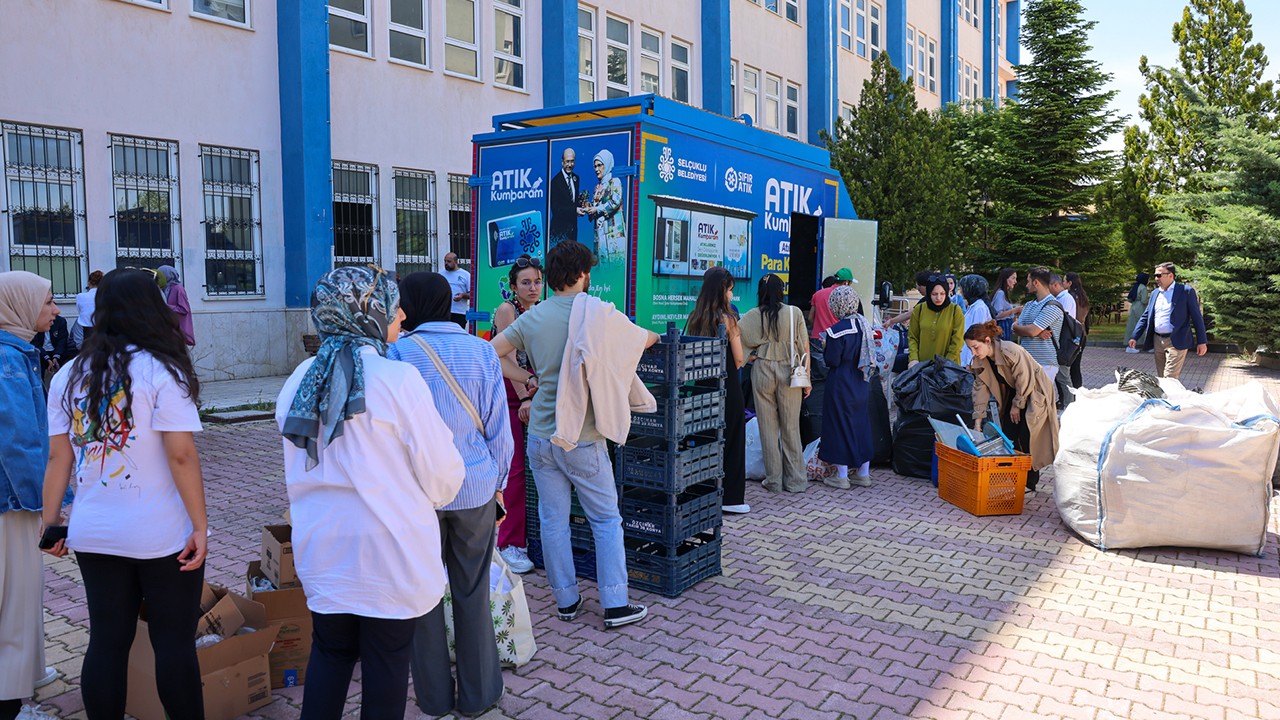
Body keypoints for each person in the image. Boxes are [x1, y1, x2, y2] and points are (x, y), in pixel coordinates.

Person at [277, 266, 465, 719]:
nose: (400, 313)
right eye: (390, 304)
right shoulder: (398, 381)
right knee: (386, 664)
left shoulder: (298, 381)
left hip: (324, 550)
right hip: (390, 554)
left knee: (330, 654)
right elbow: (442, 474)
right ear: (367, 313)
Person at [40, 268, 207, 719]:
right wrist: (201, 526)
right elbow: (182, 458)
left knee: (107, 642)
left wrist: (50, 521)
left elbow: (58, 459)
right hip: (161, 533)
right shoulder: (162, 370)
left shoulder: (68, 376)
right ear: (151, 308)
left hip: (93, 532)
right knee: (173, 643)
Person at [491, 240, 658, 629]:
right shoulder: (598, 313)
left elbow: (492, 352)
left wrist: (528, 378)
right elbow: (644, 338)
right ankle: (616, 603)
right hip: (582, 435)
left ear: (549, 276)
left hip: (541, 437)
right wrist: (653, 339)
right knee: (605, 519)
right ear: (583, 274)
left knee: (552, 521)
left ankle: (566, 601)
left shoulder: (533, 316)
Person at [388, 272, 511, 718]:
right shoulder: (481, 349)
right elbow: (499, 427)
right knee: (472, 591)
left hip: (418, 494)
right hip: (475, 487)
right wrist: (498, 486)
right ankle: (479, 698)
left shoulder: (396, 353)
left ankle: (435, 698)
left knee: (423, 597)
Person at [0, 272, 62, 720]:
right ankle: (10, 703)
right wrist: (44, 506)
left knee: (19, 597)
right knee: (16, 600)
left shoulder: (16, 351)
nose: (56, 311)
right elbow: (19, 441)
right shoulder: (7, 360)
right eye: (48, 302)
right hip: (13, 504)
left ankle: (27, 674)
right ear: (19, 306)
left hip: (12, 500)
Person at [491, 256, 543, 574]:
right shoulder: (507, 310)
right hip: (514, 395)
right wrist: (525, 397)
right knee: (515, 470)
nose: (533, 287)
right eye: (525, 282)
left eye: (537, 281)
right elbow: (505, 357)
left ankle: (526, 538)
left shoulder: (540, 309)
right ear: (513, 286)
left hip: (534, 392)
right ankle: (509, 544)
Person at [965, 320, 1059, 493]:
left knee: (1028, 436)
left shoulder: (1010, 350)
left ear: (987, 341)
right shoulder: (980, 360)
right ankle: (1012, 477)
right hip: (1015, 392)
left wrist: (1017, 405)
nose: (973, 352)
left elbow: (1025, 379)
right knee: (1008, 434)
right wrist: (977, 420)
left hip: (1034, 391)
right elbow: (979, 390)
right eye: (970, 348)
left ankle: (1029, 483)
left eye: (975, 347)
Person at [685, 267, 749, 514]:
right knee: (732, 437)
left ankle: (703, 492)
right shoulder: (728, 319)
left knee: (706, 438)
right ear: (722, 289)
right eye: (731, 290)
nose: (732, 295)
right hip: (727, 384)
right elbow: (739, 358)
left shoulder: (695, 317)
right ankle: (731, 498)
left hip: (702, 384)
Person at [740, 274, 811, 493]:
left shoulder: (752, 315)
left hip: (762, 370)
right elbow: (804, 348)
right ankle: (796, 481)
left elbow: (737, 337)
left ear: (760, 292)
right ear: (781, 291)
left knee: (768, 428)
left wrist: (750, 357)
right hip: (790, 370)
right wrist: (807, 379)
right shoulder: (794, 312)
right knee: (790, 427)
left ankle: (774, 480)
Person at [817, 285, 874, 489]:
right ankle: (863, 473)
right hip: (861, 380)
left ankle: (841, 476)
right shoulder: (865, 325)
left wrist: (825, 348)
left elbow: (832, 360)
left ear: (836, 305)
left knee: (838, 424)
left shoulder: (835, 331)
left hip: (841, 381)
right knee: (861, 424)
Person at [1128, 262, 1208, 380]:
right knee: (1161, 378)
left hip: (1176, 339)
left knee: (1170, 377)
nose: (1156, 278)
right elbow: (1146, 316)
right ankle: (1169, 398)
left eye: (1159, 275)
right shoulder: (1155, 293)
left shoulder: (1186, 291)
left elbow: (1197, 317)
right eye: (1155, 275)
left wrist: (1202, 341)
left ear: (1170, 275)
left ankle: (1170, 397)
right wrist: (1134, 336)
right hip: (1158, 340)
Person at [1012, 267, 1064, 392]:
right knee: (1025, 401)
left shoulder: (1052, 306)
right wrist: (1032, 331)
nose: (1026, 284)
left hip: (1045, 363)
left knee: (1039, 405)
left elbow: (1031, 330)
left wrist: (1030, 330)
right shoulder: (1030, 305)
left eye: (1028, 281)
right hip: (1025, 360)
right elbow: (1014, 328)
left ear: (1036, 283)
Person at [908, 276, 965, 367]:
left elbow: (958, 341)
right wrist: (913, 359)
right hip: (923, 365)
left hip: (947, 367)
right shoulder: (920, 309)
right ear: (929, 294)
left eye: (942, 294)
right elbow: (913, 337)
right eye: (934, 294)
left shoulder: (955, 310)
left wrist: (945, 362)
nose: (939, 298)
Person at [807, 267, 853, 379]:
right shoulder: (847, 297)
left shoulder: (818, 294)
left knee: (818, 376)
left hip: (817, 338)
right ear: (846, 282)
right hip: (838, 339)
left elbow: (810, 318)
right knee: (835, 375)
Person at [580, 149, 625, 261]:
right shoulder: (597, 187)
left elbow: (615, 202)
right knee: (601, 264)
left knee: (615, 264)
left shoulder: (615, 182)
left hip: (613, 232)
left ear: (608, 164)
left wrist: (597, 209)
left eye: (600, 165)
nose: (597, 169)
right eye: (595, 166)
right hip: (599, 235)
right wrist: (588, 208)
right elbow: (596, 208)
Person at [1048, 273, 1077, 408]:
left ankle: (1070, 405)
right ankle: (1066, 403)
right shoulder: (1062, 298)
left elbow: (1062, 321)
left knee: (1064, 376)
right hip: (1060, 341)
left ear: (1055, 285)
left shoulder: (1065, 299)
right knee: (1061, 375)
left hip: (1063, 342)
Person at [32, 314, 76, 391]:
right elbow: (35, 343)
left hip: (57, 351)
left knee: (67, 362)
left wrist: (56, 357)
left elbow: (62, 341)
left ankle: (64, 391)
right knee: (37, 364)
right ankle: (41, 392)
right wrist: (47, 359)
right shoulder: (35, 322)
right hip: (41, 351)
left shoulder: (60, 321)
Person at [957, 274, 993, 367]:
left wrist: (971, 363)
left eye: (963, 287)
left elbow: (976, 336)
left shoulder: (979, 308)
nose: (960, 290)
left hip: (972, 360)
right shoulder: (972, 306)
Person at [548, 148, 581, 246]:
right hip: (559, 232)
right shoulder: (555, 182)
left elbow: (573, 202)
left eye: (572, 161)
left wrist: (584, 205)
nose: (569, 165)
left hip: (572, 230)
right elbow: (556, 209)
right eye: (567, 161)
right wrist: (574, 210)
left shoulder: (576, 178)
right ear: (562, 162)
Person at [1065, 272, 1091, 389]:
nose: (1062, 283)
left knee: (1067, 368)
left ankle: (1070, 395)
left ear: (1070, 283)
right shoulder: (1083, 297)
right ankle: (1077, 392)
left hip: (1073, 334)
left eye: (1064, 281)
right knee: (1076, 367)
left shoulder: (1069, 297)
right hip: (1082, 334)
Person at [157, 265, 194, 346]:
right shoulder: (164, 288)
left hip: (177, 329)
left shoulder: (178, 288)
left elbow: (184, 309)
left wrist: (166, 306)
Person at [989, 268, 1022, 340]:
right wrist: (1014, 310)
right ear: (1005, 279)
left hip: (1006, 325)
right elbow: (998, 314)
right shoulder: (1000, 293)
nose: (1015, 281)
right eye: (1013, 278)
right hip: (1003, 326)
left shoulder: (1004, 293)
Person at [1124, 272, 1151, 354]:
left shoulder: (1135, 286)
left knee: (1132, 326)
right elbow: (1144, 300)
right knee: (1141, 326)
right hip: (1140, 308)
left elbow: (1129, 298)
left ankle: (1130, 344)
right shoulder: (1143, 288)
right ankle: (1143, 344)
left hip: (1133, 306)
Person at [73, 269, 103, 346]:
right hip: (103, 328)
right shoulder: (107, 295)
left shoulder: (80, 296)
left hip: (86, 328)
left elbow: (80, 311)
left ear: (89, 283)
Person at [442, 252, 472, 328]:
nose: (446, 263)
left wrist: (462, 295)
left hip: (459, 312)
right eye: (445, 261)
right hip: (443, 312)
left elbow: (472, 294)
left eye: (449, 261)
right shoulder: (441, 274)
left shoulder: (465, 275)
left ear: (456, 262)